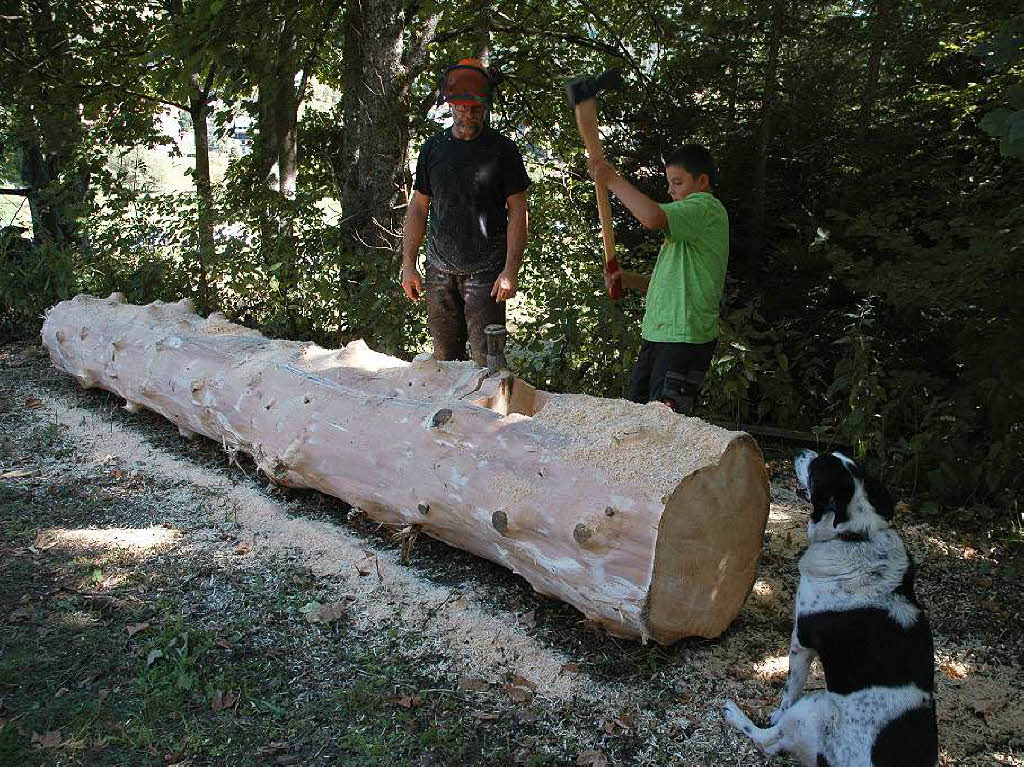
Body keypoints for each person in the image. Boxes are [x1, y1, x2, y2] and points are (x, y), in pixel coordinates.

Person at [401, 58, 531, 367]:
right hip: (439, 270)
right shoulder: (434, 148)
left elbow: (518, 213)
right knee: (444, 362)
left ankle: (487, 415)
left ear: (485, 107)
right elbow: (419, 207)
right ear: (450, 105)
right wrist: (408, 264)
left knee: (486, 364)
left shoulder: (503, 151)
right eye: (461, 108)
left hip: (486, 272)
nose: (468, 115)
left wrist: (510, 271)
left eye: (475, 109)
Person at [588, 145, 728, 415]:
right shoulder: (688, 225)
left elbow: (652, 217)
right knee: (637, 417)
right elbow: (666, 284)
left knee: (663, 427)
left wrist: (611, 178)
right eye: (669, 183)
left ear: (702, 182)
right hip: (661, 336)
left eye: (678, 182)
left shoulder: (705, 208)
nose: (670, 190)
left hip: (683, 339)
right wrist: (627, 279)